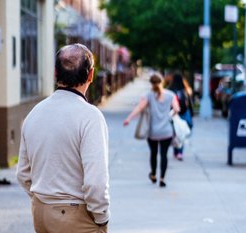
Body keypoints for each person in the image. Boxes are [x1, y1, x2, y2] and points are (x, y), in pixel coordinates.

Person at [16, 44, 110, 233]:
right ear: (91, 75)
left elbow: (23, 174)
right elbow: (95, 183)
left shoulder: (35, 113)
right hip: (75, 216)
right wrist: (102, 218)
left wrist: (44, 200)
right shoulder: (90, 116)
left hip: (41, 212)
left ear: (55, 74)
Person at [123, 73, 180, 187]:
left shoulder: (148, 95)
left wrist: (129, 118)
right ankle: (162, 178)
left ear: (151, 84)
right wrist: (170, 115)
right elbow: (177, 109)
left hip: (153, 131)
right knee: (164, 155)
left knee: (153, 154)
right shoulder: (170, 95)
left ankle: (153, 175)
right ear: (162, 82)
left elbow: (140, 108)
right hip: (166, 131)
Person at [168, 73, 194, 161]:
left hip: (173, 114)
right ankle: (180, 152)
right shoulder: (186, 90)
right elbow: (190, 104)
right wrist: (191, 113)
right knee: (181, 133)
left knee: (175, 133)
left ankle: (176, 151)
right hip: (183, 113)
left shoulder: (170, 90)